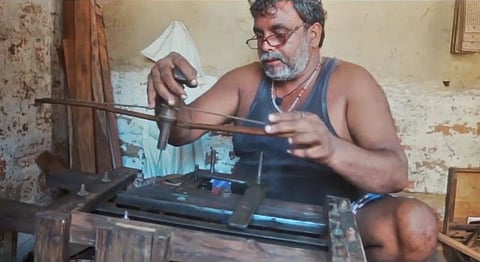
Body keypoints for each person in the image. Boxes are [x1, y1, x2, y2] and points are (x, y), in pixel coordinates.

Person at [147, 0, 438, 261]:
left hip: (332, 218)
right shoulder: (245, 79)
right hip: (249, 213)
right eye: (260, 35)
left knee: (416, 227)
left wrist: (334, 149)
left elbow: (396, 172)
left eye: (279, 33)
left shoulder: (351, 82)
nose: (266, 45)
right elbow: (179, 133)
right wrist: (167, 98)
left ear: (313, 34)